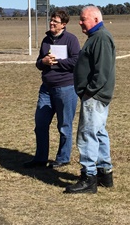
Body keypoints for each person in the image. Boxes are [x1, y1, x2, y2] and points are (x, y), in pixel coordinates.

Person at [64, 6, 116, 194]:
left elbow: (102, 71)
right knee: (99, 132)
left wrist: (89, 91)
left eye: (83, 19)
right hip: (96, 95)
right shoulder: (96, 37)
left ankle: (89, 177)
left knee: (87, 135)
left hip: (94, 97)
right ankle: (104, 173)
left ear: (95, 19)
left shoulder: (101, 38)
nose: (79, 22)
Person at [24, 10, 80, 169]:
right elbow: (38, 63)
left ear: (64, 24)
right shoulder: (46, 40)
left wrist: (57, 62)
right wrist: (44, 61)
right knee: (40, 124)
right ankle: (40, 158)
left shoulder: (71, 39)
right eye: (51, 20)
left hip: (66, 88)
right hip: (46, 89)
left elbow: (77, 61)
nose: (52, 23)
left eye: (55, 21)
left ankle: (63, 158)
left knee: (64, 125)